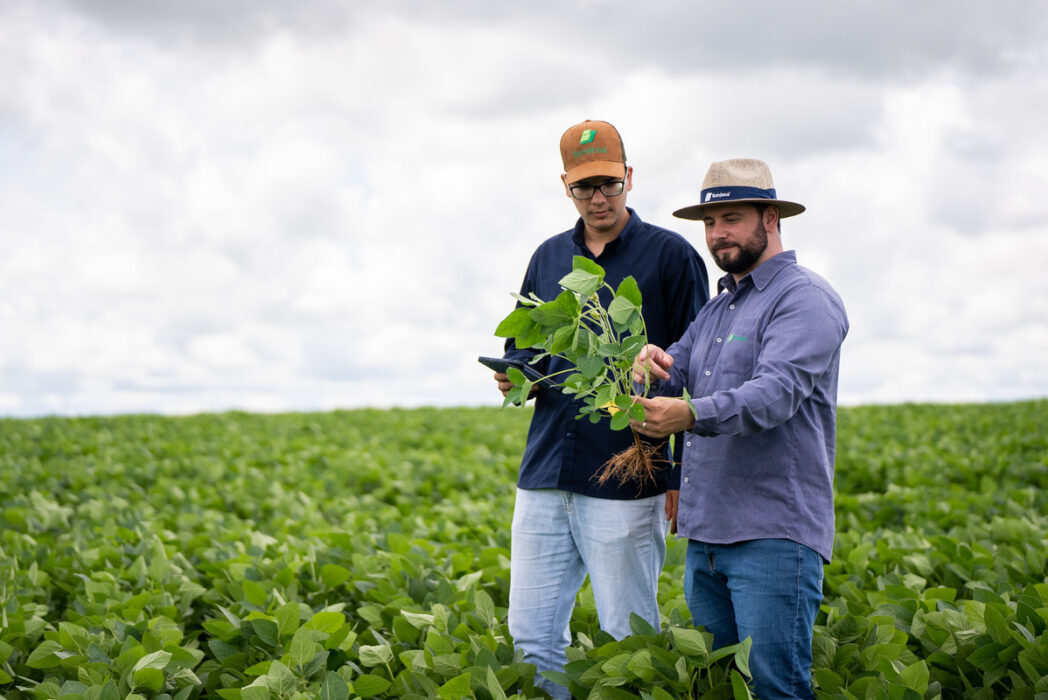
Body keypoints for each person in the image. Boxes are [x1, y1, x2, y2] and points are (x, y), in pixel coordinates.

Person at [493, 120, 709, 699]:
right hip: (544, 473)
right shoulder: (546, 257)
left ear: (629, 178)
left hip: (629, 472)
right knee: (531, 637)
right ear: (565, 185)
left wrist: (679, 475)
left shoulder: (671, 256)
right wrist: (517, 379)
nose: (598, 198)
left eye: (609, 184)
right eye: (585, 187)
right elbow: (527, 354)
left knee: (628, 639)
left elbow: (701, 370)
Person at [628, 158, 848, 700]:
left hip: (772, 535)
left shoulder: (804, 298)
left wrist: (691, 414)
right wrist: (652, 362)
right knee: (715, 686)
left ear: (770, 217)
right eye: (709, 222)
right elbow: (676, 365)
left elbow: (776, 394)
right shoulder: (719, 306)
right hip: (707, 537)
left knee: (777, 688)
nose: (717, 234)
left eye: (732, 218)